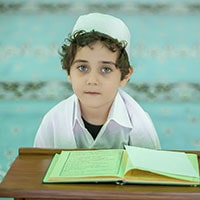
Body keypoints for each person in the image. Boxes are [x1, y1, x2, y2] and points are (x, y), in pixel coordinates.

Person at [34, 13, 161, 149]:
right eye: (83, 68)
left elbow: (149, 168)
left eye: (105, 69)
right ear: (68, 72)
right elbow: (39, 166)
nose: (92, 81)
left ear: (124, 76)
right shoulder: (53, 121)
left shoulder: (140, 125)